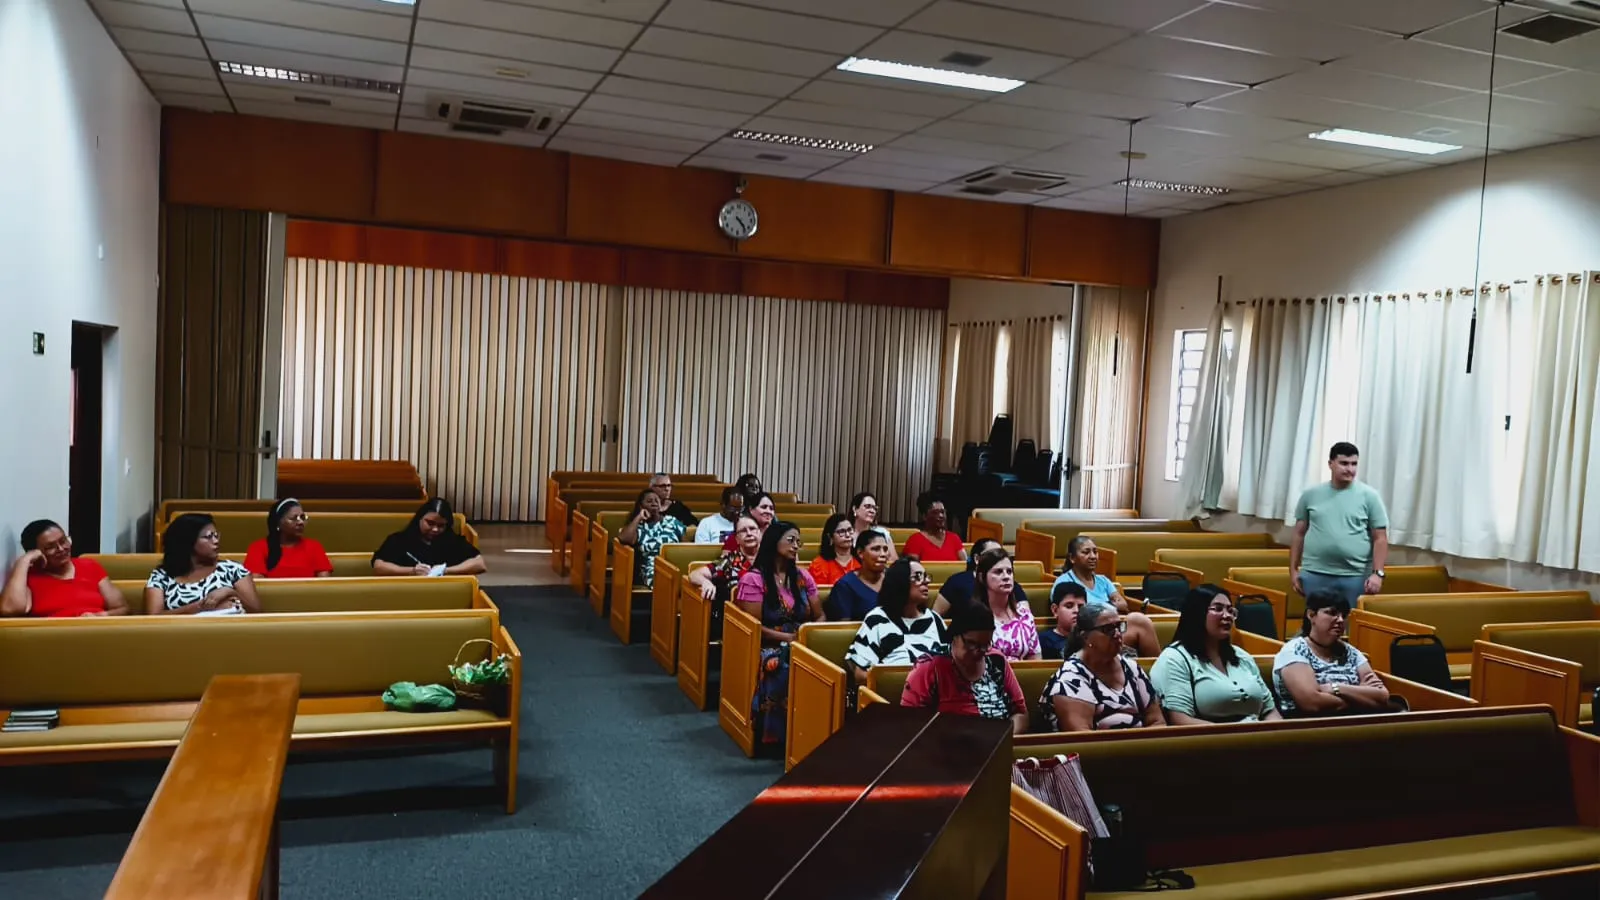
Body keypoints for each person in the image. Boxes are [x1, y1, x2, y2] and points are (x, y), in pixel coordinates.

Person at [734, 521, 823, 748]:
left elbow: (820, 615)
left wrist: (811, 634)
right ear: (774, 542)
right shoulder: (754, 579)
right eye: (790, 540)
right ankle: (776, 737)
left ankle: (811, 733)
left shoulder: (802, 577)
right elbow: (754, 627)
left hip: (802, 640)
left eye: (798, 542)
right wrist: (790, 639)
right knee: (780, 666)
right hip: (768, 644)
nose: (796, 546)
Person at [1149, 586, 1280, 725]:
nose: (1227, 616)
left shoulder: (1242, 656)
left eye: (1230, 610)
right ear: (1197, 613)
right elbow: (1180, 720)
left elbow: (1270, 711)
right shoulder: (1175, 659)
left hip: (1258, 734)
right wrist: (1236, 734)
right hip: (1209, 736)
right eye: (1218, 609)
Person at [901, 603, 1028, 735]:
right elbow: (910, 723)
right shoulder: (929, 667)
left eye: (985, 644)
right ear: (955, 635)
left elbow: (1021, 713)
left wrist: (1003, 739)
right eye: (972, 644)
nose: (979, 651)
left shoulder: (996, 660)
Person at [1291, 442, 1390, 609]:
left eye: (1354, 464)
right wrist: (1293, 570)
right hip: (1315, 572)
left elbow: (1380, 538)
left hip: (1355, 576)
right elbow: (1299, 534)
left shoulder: (1370, 496)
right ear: (1330, 464)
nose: (1350, 469)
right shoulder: (1310, 495)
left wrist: (1377, 574)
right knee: (1316, 620)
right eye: (1344, 463)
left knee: (1350, 622)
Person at [1039, 601, 1165, 732]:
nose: (1117, 634)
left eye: (1119, 626)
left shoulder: (1131, 668)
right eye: (1108, 629)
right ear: (1086, 637)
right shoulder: (1070, 680)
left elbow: (1157, 722)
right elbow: (1082, 739)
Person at [1273, 589, 1390, 718]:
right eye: (1332, 613)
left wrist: (1335, 688)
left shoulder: (1351, 652)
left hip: (1357, 724)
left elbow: (1382, 696)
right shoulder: (1295, 650)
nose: (1340, 620)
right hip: (1310, 725)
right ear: (1311, 615)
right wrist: (1362, 697)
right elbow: (1312, 704)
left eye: (1344, 615)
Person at [846, 558, 949, 685]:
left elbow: (951, 666)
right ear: (900, 582)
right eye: (918, 577)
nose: (926, 581)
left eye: (925, 576)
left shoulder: (935, 619)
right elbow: (860, 674)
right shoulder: (877, 619)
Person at [1053, 534, 1162, 653]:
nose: (1093, 556)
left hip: (1109, 628)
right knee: (1138, 622)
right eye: (1086, 552)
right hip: (1086, 634)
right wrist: (1109, 605)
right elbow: (1080, 613)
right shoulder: (1064, 582)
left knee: (1139, 621)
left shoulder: (1103, 580)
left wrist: (1097, 607)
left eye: (1095, 552)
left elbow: (1123, 605)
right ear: (1072, 558)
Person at [1, 519, 127, 617]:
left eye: (63, 541)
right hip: (53, 637)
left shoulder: (89, 566)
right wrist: (24, 561)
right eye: (50, 547)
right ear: (35, 552)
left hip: (97, 631)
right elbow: (10, 610)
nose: (61, 549)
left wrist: (100, 616)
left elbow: (122, 609)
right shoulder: (29, 578)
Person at [146, 513, 261, 615]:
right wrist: (200, 607)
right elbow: (154, 616)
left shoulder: (232, 569)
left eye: (216, 535)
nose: (216, 541)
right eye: (208, 537)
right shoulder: (161, 576)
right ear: (188, 542)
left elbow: (257, 612)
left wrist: (230, 592)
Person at [371, 498, 486, 577]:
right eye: (430, 523)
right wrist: (412, 571)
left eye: (441, 526)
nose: (435, 529)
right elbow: (379, 566)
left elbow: (479, 564)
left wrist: (445, 571)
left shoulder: (453, 541)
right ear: (419, 519)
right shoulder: (399, 540)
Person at [973, 547, 1040, 661]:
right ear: (981, 577)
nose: (1006, 577)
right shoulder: (972, 616)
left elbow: (1035, 660)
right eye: (998, 572)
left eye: (1009, 571)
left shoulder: (1024, 615)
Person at [243, 498, 333, 578]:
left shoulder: (314, 547)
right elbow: (257, 584)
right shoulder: (258, 548)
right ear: (278, 523)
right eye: (294, 518)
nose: (301, 522)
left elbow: (324, 584)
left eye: (302, 517)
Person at [934, 538, 1025, 615]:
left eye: (1000, 554)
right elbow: (936, 616)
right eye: (992, 555)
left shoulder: (1009, 584)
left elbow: (1025, 615)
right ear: (977, 559)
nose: (999, 559)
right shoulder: (957, 582)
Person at [618, 488, 686, 588]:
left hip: (674, 564)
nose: (654, 503)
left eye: (656, 500)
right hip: (652, 567)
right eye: (649, 501)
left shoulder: (672, 521)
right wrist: (639, 517)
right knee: (664, 582)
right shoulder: (639, 527)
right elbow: (624, 538)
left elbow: (685, 546)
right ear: (641, 506)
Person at [690, 515, 761, 602]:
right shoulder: (728, 561)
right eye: (743, 531)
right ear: (737, 539)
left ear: (759, 533)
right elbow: (695, 574)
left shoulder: (772, 557)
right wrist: (706, 582)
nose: (749, 533)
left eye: (752, 529)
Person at [824, 529, 891, 621]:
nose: (883, 554)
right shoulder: (845, 586)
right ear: (860, 553)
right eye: (876, 549)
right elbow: (844, 627)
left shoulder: (894, 579)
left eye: (885, 549)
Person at [902, 493, 965, 562]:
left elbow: (965, 564)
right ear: (924, 516)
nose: (941, 516)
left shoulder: (954, 538)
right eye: (935, 512)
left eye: (942, 512)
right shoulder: (915, 540)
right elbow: (912, 566)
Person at [1038, 580, 1086, 660]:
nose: (1076, 611)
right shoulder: (1042, 641)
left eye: (1081, 607)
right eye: (1069, 606)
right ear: (1055, 610)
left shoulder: (1091, 638)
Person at [809, 513, 859, 586]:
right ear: (830, 537)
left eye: (850, 530)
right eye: (842, 532)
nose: (848, 535)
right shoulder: (819, 565)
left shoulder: (862, 561)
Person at [849, 492, 896, 562]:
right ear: (855, 509)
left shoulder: (881, 532)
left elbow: (893, 562)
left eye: (875, 508)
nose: (872, 511)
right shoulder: (846, 533)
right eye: (867, 506)